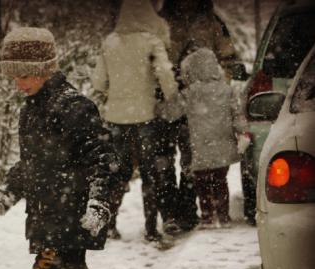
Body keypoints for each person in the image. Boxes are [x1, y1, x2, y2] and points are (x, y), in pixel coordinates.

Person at [0, 27, 119, 269]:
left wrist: (98, 203)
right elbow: (32, 166)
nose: (19, 83)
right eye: (14, 76)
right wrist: (6, 193)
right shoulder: (30, 111)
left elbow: (104, 160)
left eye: (25, 74)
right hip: (45, 225)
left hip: (68, 225)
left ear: (46, 68)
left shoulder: (75, 108)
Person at [91, 0, 180, 243]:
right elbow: (167, 78)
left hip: (116, 118)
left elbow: (98, 82)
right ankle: (151, 228)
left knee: (118, 174)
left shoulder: (109, 42)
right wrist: (166, 95)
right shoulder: (152, 41)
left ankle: (110, 225)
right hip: (146, 117)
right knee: (151, 173)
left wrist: (116, 91)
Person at [158, 0, 249, 229]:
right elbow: (154, 57)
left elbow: (227, 55)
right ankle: (187, 211)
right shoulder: (163, 21)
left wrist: (215, 88)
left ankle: (196, 212)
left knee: (194, 162)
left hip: (202, 102)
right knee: (178, 162)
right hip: (174, 95)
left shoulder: (210, 21)